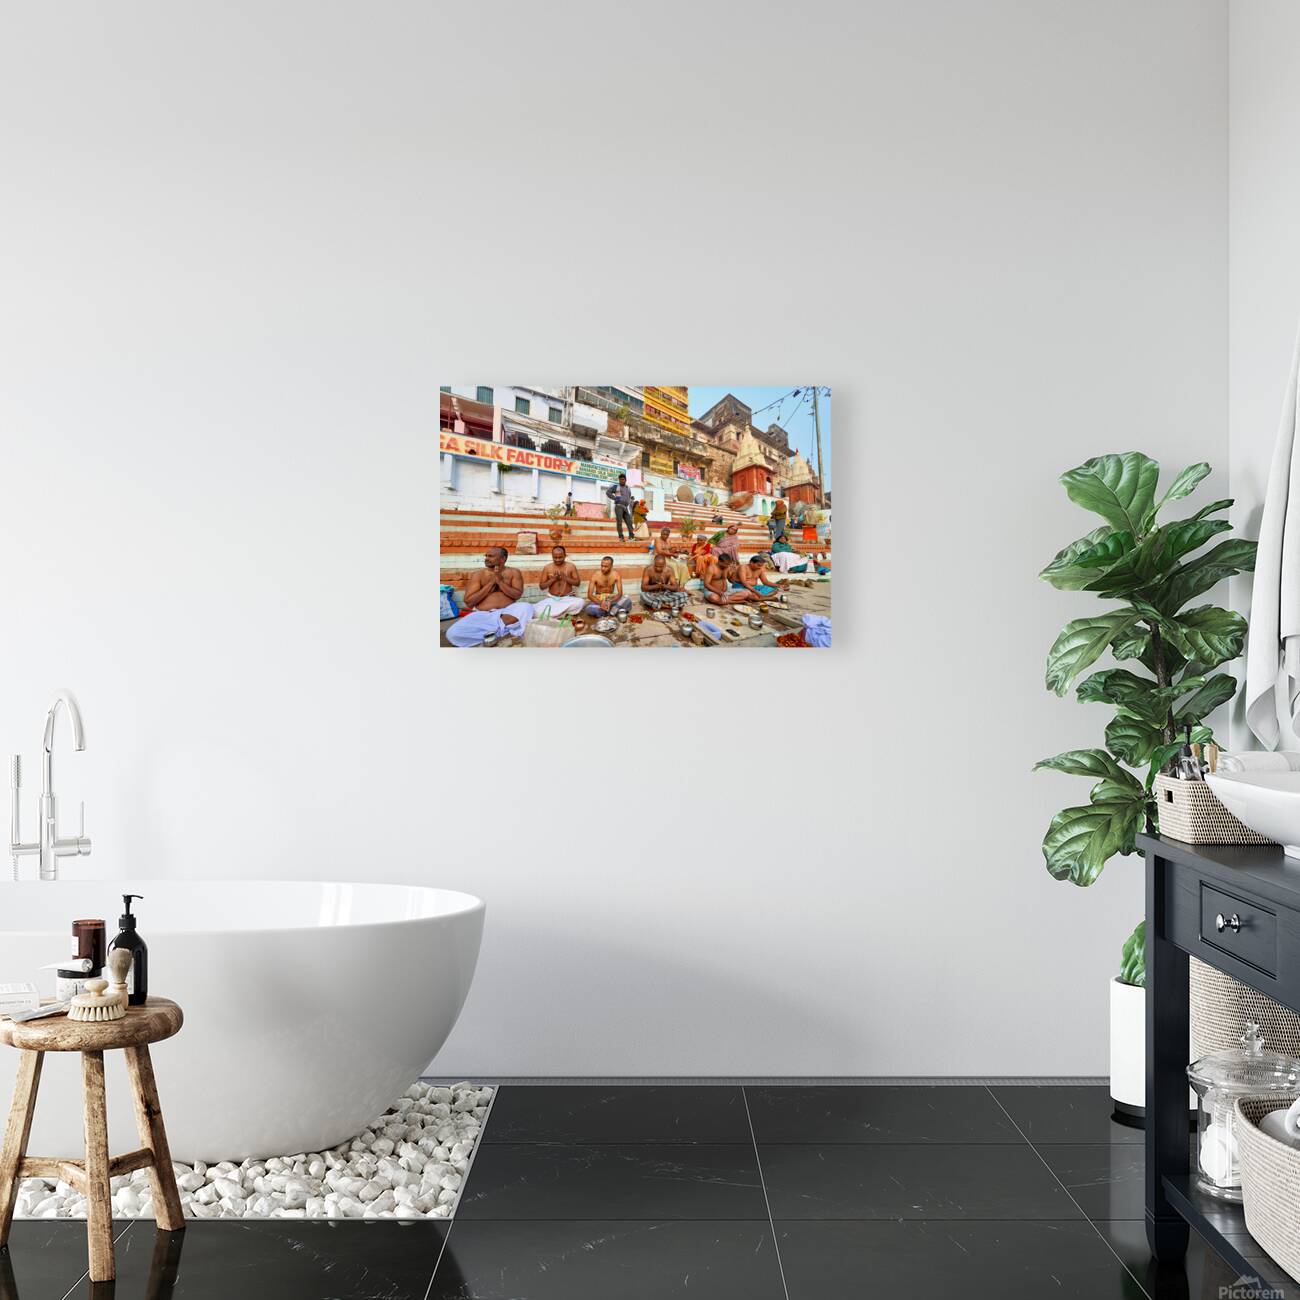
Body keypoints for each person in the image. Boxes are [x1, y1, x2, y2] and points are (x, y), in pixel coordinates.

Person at [446, 547, 534, 647]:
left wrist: (500, 582)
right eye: (486, 556)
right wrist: (491, 584)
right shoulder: (478, 575)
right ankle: (504, 633)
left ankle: (492, 634)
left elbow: (517, 595)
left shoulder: (514, 572)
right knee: (452, 633)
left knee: (527, 607)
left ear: (502, 559)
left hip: (507, 613)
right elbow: (469, 602)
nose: (487, 558)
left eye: (491, 556)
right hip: (484, 615)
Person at [533, 545, 585, 618]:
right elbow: (542, 586)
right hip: (552, 598)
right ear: (552, 556)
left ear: (565, 556)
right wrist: (553, 579)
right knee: (535, 609)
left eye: (560, 557)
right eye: (555, 557)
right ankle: (562, 614)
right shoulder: (547, 567)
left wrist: (565, 578)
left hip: (567, 598)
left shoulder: (571, 566)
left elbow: (577, 583)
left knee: (580, 602)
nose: (557, 559)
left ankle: (553, 615)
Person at [605, 474, 636, 543]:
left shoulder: (628, 488)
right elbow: (608, 492)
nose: (621, 481)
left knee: (629, 522)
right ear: (619, 480)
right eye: (620, 479)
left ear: (625, 480)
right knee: (619, 522)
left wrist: (627, 502)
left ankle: (631, 537)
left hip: (625, 507)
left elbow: (629, 496)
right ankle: (621, 537)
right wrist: (614, 498)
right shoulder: (616, 487)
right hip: (618, 506)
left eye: (623, 479)